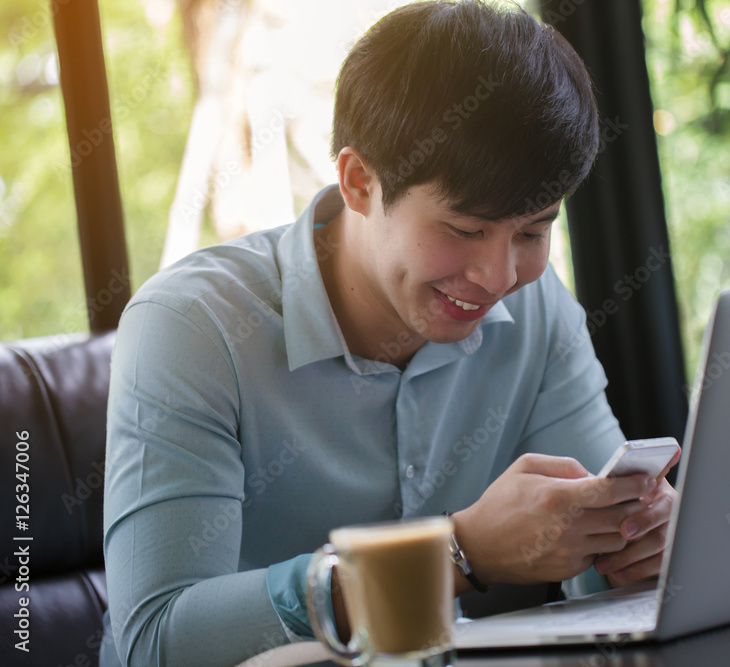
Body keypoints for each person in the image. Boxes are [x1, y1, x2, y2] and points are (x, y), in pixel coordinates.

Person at [101, 1, 679, 665]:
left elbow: (604, 556)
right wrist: (454, 553)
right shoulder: (191, 331)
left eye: (532, 231)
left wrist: (639, 538)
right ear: (358, 180)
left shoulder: (538, 308)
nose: (497, 275)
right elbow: (158, 642)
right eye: (464, 230)